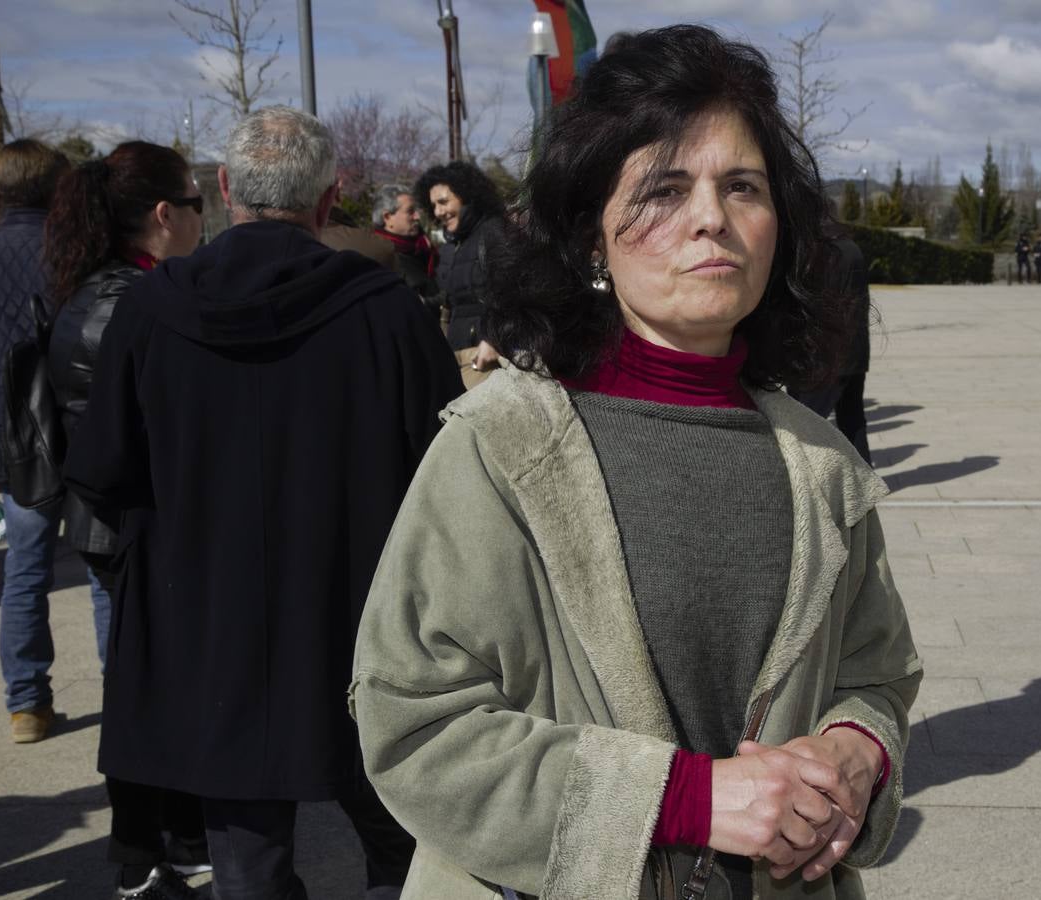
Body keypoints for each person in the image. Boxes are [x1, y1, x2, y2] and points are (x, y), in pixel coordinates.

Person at [352, 25, 922, 900]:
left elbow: (878, 674)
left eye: (743, 186)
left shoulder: (823, 466)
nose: (711, 219)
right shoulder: (500, 448)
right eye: (663, 188)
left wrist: (857, 753)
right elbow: (413, 725)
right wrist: (684, 799)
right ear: (591, 236)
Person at [63, 107, 465, 900]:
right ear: (330, 196)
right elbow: (450, 474)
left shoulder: (150, 312)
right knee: (406, 852)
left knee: (248, 866)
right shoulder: (387, 311)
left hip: (209, 628)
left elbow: (102, 470)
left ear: (224, 189)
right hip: (361, 626)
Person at [43, 140, 211, 899]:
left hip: (123, 524)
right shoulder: (132, 302)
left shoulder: (111, 290)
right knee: (149, 689)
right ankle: (151, 846)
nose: (206, 220)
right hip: (135, 525)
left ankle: (162, 838)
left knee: (146, 683)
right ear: (165, 214)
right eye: (199, 204)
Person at [0, 139, 84, 745]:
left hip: (11, 436)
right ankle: (120, 694)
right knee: (103, 570)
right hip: (79, 426)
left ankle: (27, 705)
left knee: (24, 572)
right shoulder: (70, 250)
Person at [413, 161, 506, 375]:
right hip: (457, 350)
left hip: (487, 356)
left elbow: (515, 292)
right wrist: (423, 303)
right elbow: (453, 297)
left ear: (467, 196)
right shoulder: (450, 246)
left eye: (444, 201)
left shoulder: (495, 233)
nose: (438, 211)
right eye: (434, 205)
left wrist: (494, 338)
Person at [791, 221, 872, 463]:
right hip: (855, 352)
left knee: (805, 421)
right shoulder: (852, 249)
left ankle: (802, 477)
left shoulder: (823, 252)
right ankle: (863, 473)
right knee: (852, 418)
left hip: (827, 354)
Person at [371, 183, 435, 298]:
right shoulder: (379, 258)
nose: (417, 217)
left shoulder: (425, 248)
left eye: (416, 210)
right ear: (387, 217)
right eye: (410, 211)